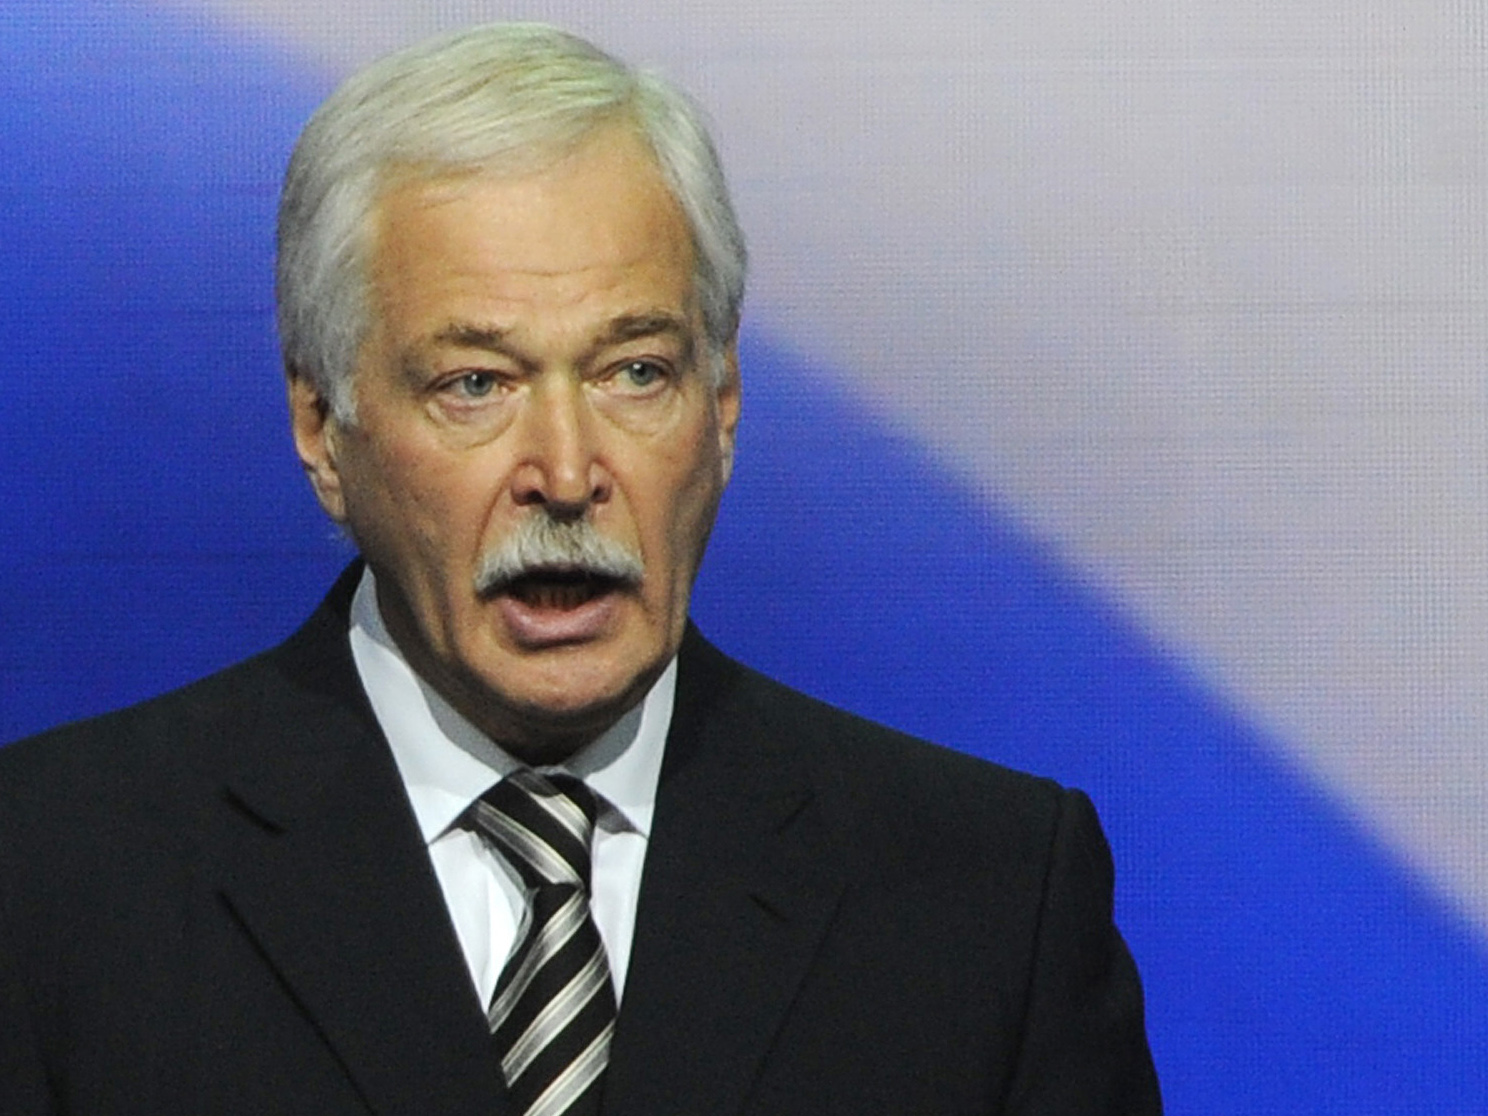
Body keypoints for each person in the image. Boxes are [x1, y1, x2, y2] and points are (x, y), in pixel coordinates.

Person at [0, 22, 1161, 1116]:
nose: (565, 473)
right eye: (476, 384)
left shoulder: (990, 895)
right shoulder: (50, 875)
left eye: (635, 372)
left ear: (723, 403)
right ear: (322, 427)